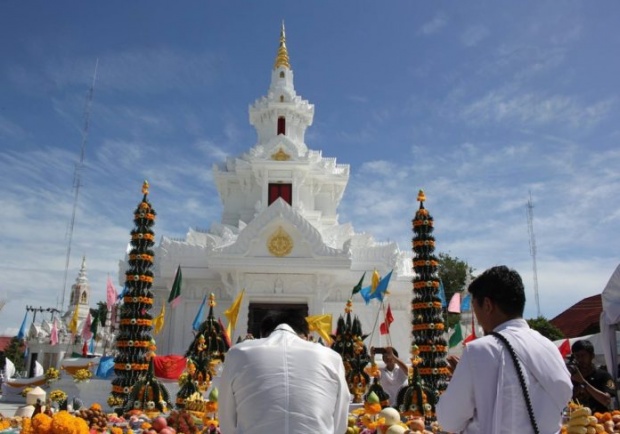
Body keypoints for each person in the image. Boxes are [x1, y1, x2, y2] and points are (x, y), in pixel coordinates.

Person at [436, 265, 572, 434]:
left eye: (475, 308)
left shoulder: (479, 350)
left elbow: (449, 420)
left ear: (487, 305)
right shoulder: (549, 347)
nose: (477, 318)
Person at [219, 310, 351, 434]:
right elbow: (340, 422)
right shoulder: (330, 357)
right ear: (305, 336)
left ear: (263, 335)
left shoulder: (239, 353)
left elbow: (227, 421)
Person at [569, 339, 614, 412]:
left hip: (599, 419)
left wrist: (582, 382)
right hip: (577, 420)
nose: (580, 359)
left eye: (583, 355)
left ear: (592, 356)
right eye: (577, 356)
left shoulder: (604, 375)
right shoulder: (570, 377)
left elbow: (607, 401)